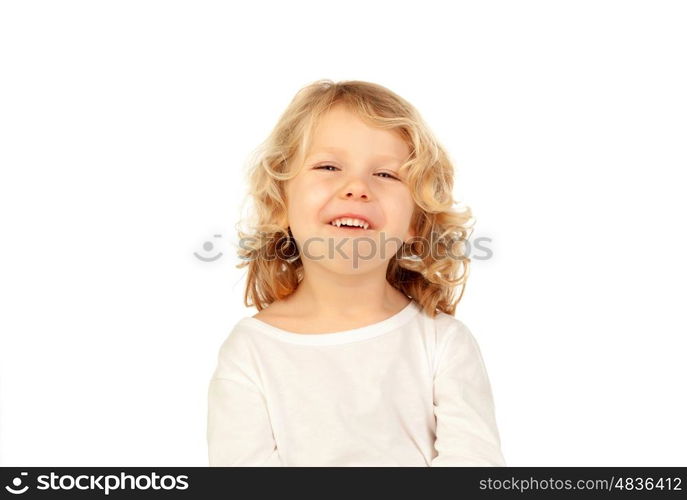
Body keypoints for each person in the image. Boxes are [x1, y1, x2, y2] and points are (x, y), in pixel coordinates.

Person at [206, 79, 506, 466]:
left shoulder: (442, 343)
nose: (356, 188)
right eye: (328, 166)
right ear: (281, 201)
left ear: (416, 220)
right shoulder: (250, 351)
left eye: (386, 174)